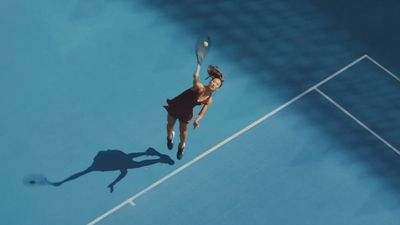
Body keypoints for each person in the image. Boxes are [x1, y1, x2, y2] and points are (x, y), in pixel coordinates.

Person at [164, 65, 224, 160]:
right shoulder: (200, 87)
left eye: (217, 84)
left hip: (186, 112)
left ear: (217, 89)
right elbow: (195, 83)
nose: (214, 84)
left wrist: (197, 120)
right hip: (177, 105)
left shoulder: (209, 99)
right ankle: (170, 136)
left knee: (183, 133)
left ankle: (181, 146)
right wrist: (195, 78)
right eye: (214, 82)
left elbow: (202, 113)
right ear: (210, 81)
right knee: (169, 126)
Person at [52, 148, 174, 193]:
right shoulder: (96, 166)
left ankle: (156, 157)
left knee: (134, 163)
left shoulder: (97, 165)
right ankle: (154, 155)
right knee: (134, 162)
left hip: (118, 158)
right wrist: (113, 183)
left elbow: (79, 174)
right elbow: (78, 175)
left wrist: (62, 181)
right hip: (119, 158)